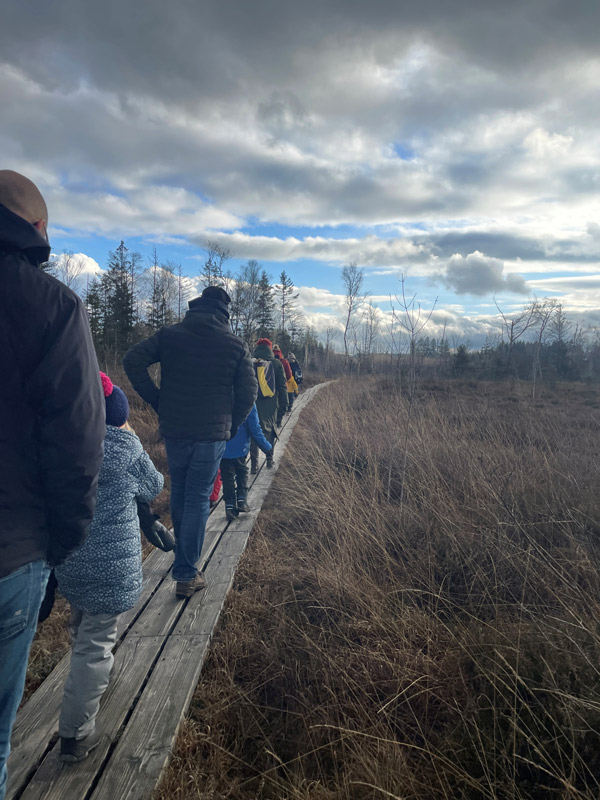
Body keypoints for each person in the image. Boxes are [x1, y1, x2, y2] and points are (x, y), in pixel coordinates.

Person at [0, 171, 105, 798]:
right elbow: (77, 447)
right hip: (12, 552)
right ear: (37, 230)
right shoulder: (54, 306)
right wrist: (58, 551)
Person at [55, 372, 163, 763]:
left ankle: (88, 670)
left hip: (69, 560)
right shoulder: (126, 445)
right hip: (110, 567)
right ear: (118, 414)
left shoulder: (62, 444)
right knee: (97, 643)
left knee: (83, 618)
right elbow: (153, 486)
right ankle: (75, 735)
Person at [123, 286, 257, 599]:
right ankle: (186, 572)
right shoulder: (235, 345)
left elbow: (132, 360)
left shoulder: (170, 335)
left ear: (196, 307)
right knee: (196, 497)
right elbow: (249, 394)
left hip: (176, 430)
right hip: (211, 436)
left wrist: (159, 402)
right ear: (225, 311)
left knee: (182, 494)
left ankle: (184, 564)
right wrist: (230, 424)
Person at [220, 404, 273, 521]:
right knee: (242, 472)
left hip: (222, 447)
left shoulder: (220, 396)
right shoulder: (248, 402)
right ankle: (241, 500)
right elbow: (255, 429)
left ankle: (229, 506)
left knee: (227, 477)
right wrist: (267, 447)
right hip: (240, 448)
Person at [250, 338, 287, 474]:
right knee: (269, 429)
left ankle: (253, 465)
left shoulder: (249, 362)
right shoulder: (276, 363)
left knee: (254, 430)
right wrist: (284, 404)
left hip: (252, 402)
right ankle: (269, 458)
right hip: (271, 403)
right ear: (270, 348)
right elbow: (282, 386)